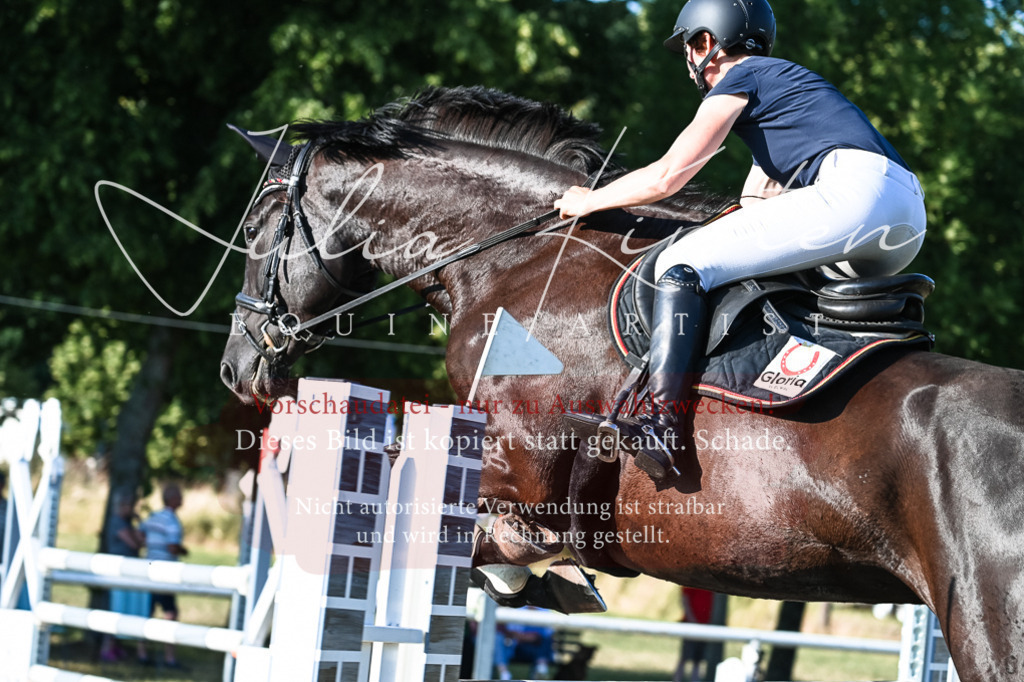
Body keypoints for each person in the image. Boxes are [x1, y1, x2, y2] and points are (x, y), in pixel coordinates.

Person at [554, 0, 926, 480]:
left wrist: (591, 199)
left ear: (706, 43)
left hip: (854, 195)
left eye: (689, 47)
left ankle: (661, 425)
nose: (689, 62)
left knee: (682, 264)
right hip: (905, 214)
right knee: (771, 275)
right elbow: (756, 204)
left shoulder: (740, 78)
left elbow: (669, 175)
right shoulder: (787, 95)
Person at [99, 488, 150, 663]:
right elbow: (135, 543)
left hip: (126, 572)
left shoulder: (126, 523)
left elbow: (141, 542)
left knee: (123, 609)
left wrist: (138, 523)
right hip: (118, 572)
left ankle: (115, 646)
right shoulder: (117, 522)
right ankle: (107, 648)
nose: (132, 509)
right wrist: (138, 531)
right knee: (116, 608)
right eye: (129, 506)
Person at [141, 483, 188, 669]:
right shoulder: (171, 521)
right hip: (165, 572)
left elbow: (140, 534)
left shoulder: (154, 517)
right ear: (173, 499)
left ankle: (142, 652)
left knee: (148, 612)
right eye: (180, 496)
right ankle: (169, 657)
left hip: (149, 569)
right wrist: (182, 551)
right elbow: (172, 546)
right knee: (170, 613)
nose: (182, 500)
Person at [674, 586, 715, 682]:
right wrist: (691, 620)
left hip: (705, 626)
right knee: (685, 656)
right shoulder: (692, 582)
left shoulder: (711, 584)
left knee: (698, 659)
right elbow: (685, 600)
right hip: (691, 625)